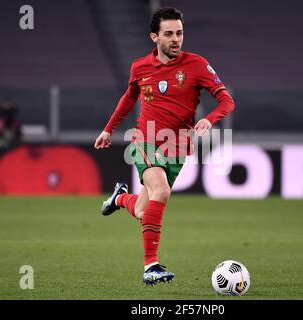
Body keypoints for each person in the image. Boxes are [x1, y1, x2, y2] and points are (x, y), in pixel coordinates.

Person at [94, 7, 235, 286]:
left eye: (179, 33)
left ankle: (120, 198)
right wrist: (108, 129)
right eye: (168, 34)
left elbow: (227, 100)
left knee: (143, 211)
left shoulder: (197, 65)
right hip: (144, 139)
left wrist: (209, 119)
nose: (175, 39)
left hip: (178, 147)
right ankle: (151, 267)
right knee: (161, 190)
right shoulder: (140, 67)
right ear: (154, 37)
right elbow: (128, 98)